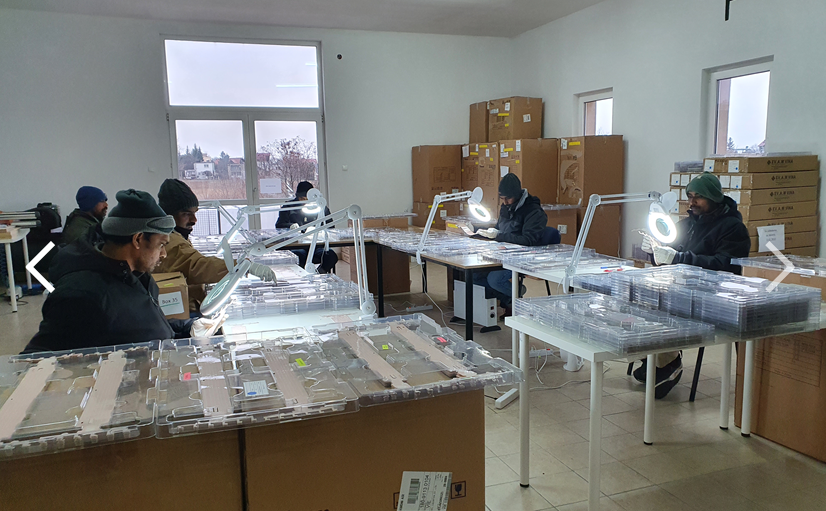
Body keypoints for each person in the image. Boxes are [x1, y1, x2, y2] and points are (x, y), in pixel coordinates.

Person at [24, 189, 207, 353]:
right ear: (138, 239)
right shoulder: (81, 295)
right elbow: (36, 358)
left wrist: (188, 327)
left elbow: (140, 325)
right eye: (161, 245)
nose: (164, 254)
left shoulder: (138, 276)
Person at [639, 172, 750, 398]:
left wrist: (677, 259)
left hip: (712, 294)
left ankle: (668, 362)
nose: (691, 202)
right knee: (639, 296)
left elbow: (726, 266)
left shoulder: (732, 228)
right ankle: (653, 358)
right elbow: (670, 255)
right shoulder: (688, 224)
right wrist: (654, 253)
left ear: (713, 197)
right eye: (690, 196)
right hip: (681, 285)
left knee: (657, 305)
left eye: (698, 197)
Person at [155, 178, 275, 314]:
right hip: (185, 312)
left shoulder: (176, 235)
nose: (194, 220)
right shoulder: (170, 241)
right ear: (169, 215)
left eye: (195, 213)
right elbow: (197, 266)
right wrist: (242, 266)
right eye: (186, 214)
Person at [473, 173, 549, 316]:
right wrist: (484, 231)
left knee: (494, 279)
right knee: (475, 275)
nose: (505, 202)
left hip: (522, 257)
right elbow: (500, 228)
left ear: (518, 195)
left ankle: (518, 295)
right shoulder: (506, 207)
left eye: (508, 198)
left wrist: (499, 235)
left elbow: (529, 241)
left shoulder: (533, 211)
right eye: (502, 199)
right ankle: (506, 300)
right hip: (502, 252)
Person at [276, 181, 338, 273]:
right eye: (301, 198)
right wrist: (291, 226)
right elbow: (279, 225)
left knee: (331, 256)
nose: (304, 201)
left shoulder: (320, 207)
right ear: (297, 196)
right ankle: (302, 276)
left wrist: (320, 231)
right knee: (299, 256)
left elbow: (331, 226)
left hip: (317, 245)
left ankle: (319, 274)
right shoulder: (288, 207)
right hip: (297, 245)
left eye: (306, 198)